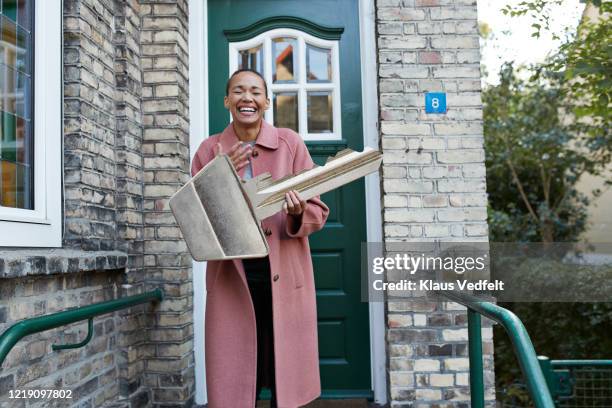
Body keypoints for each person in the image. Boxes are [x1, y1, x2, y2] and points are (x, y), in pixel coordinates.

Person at [191, 69, 330, 408]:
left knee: (284, 371)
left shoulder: (290, 143)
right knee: (237, 374)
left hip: (283, 274)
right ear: (227, 101)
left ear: (267, 102)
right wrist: (220, 173)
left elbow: (319, 211)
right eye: (238, 91)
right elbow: (195, 217)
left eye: (255, 92)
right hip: (232, 278)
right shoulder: (209, 150)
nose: (247, 98)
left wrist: (297, 212)